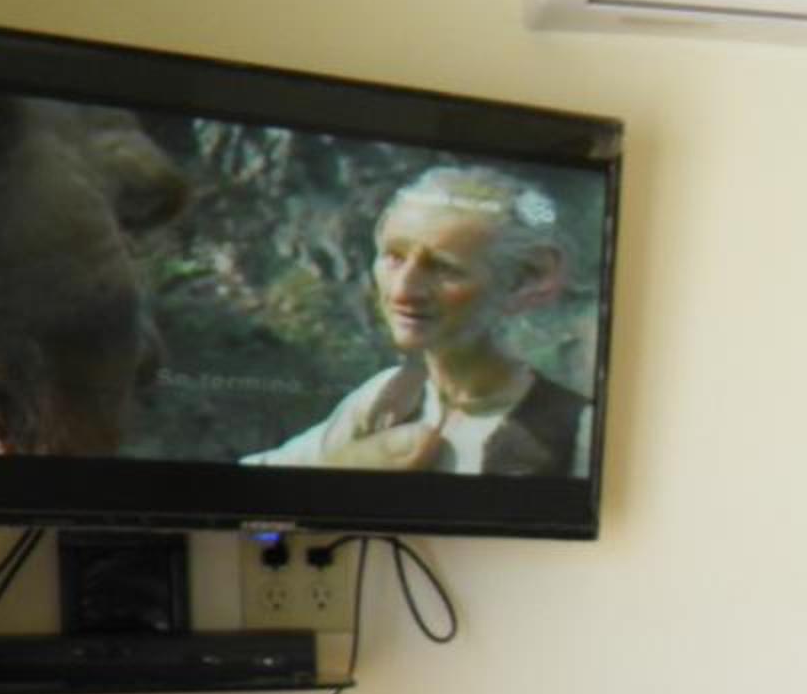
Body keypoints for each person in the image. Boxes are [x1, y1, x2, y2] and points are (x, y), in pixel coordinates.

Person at [245, 166, 585, 475]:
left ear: (524, 281)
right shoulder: (389, 396)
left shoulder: (577, 431)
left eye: (443, 268)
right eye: (394, 257)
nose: (402, 290)